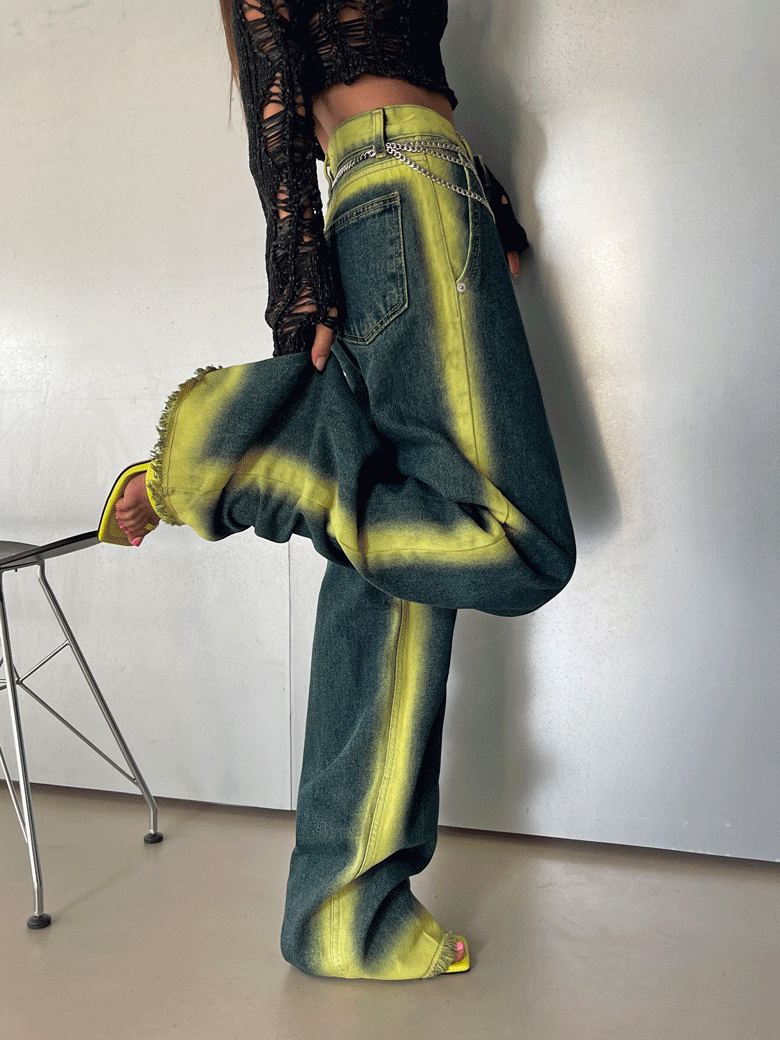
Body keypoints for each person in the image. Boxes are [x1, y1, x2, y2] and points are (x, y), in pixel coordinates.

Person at [102, 1, 575, 979]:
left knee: (393, 574)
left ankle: (342, 911)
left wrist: (487, 197)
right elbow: (272, 60)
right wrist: (297, 271)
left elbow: (379, 64)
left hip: (400, 187)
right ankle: (243, 455)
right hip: (408, 187)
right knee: (517, 538)